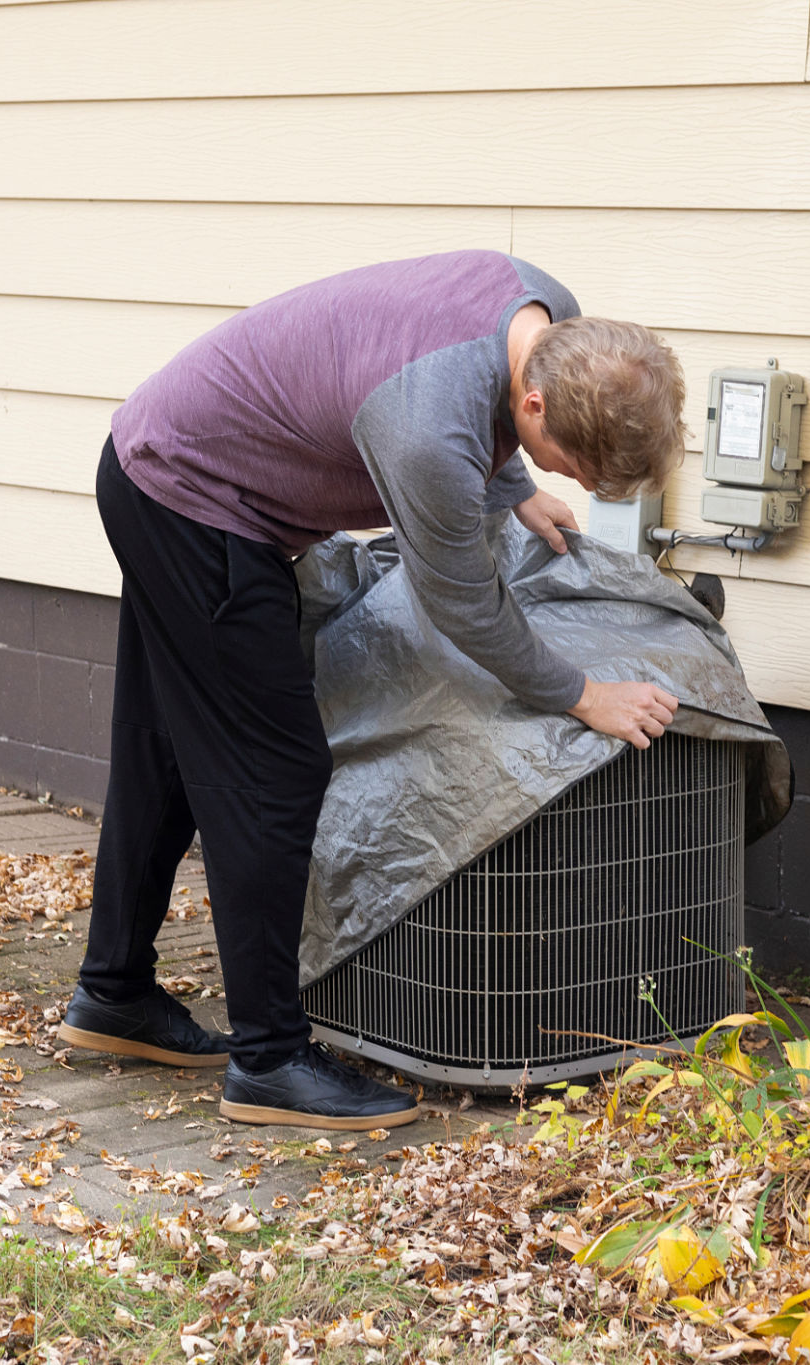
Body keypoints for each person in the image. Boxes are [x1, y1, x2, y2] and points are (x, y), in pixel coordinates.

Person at [54, 251, 688, 1130]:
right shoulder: (427, 430)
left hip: (156, 458)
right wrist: (583, 694)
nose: (575, 484)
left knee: (167, 747)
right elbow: (466, 606)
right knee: (271, 774)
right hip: (191, 500)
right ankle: (269, 1059)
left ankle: (112, 993)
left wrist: (511, 490)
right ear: (536, 401)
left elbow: (467, 391)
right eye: (570, 464)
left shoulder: (542, 313)